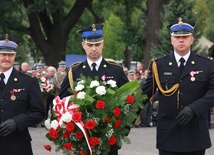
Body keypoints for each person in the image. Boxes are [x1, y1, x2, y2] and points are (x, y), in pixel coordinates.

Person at [142, 17, 214, 155]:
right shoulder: (158, 64)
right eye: (177, 36)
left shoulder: (207, 64)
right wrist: (124, 120)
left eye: (185, 36)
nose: (181, 40)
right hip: (168, 135)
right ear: (171, 39)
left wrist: (193, 109)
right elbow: (144, 95)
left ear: (192, 39)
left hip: (195, 135)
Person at [59, 23, 129, 155]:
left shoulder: (116, 70)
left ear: (102, 44)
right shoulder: (74, 71)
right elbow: (63, 101)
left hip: (109, 138)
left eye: (97, 44)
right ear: (83, 45)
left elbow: (130, 101)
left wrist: (122, 129)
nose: (94, 48)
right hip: (82, 139)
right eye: (90, 45)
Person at [0, 34, 45, 155]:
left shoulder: (28, 81)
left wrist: (17, 122)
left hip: (17, 145)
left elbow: (39, 111)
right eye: (3, 54)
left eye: (11, 55)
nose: (7, 58)